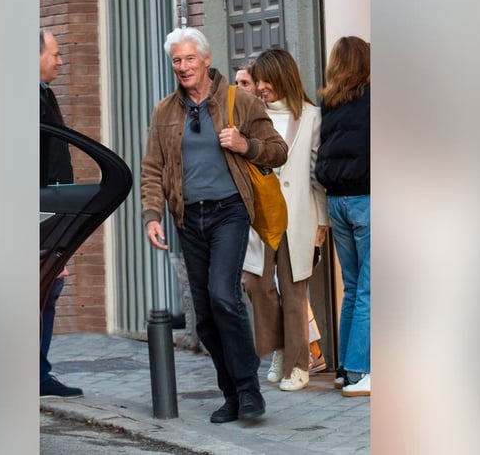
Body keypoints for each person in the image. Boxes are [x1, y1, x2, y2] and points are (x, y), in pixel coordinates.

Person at [141, 27, 287, 423]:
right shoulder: (165, 111)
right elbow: (153, 168)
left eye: (190, 58)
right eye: (176, 60)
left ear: (206, 60)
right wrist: (151, 215)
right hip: (189, 218)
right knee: (203, 314)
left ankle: (248, 390)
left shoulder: (238, 101)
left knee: (224, 296)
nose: (183, 66)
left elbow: (278, 151)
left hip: (229, 212)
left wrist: (246, 146)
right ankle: (231, 394)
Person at [241, 48, 328, 392]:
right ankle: (280, 348)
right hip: (260, 218)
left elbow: (315, 174)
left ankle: (299, 364)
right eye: (257, 80)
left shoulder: (311, 117)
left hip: (297, 217)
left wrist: (322, 221)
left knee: (293, 291)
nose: (260, 86)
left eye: (265, 79)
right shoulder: (252, 116)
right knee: (257, 285)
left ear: (281, 77)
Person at [314, 36, 371, 397]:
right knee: (370, 290)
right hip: (367, 200)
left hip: (337, 201)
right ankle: (357, 372)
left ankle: (343, 370)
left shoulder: (329, 103)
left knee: (353, 288)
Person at [39, 28, 82, 399]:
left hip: (49, 211)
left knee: (49, 289)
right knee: (44, 287)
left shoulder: (44, 95)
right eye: (55, 53)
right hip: (38, 214)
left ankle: (38, 372)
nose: (60, 60)